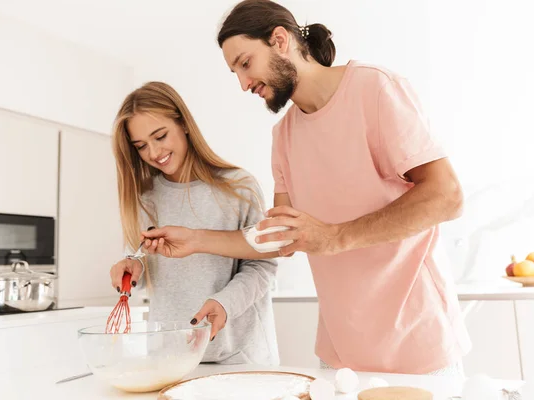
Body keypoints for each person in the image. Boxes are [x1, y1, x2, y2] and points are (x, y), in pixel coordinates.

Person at [142, 0, 472, 376]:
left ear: (280, 40)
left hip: (416, 345)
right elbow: (280, 238)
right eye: (234, 72)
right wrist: (195, 239)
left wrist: (334, 237)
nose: (243, 83)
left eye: (245, 63)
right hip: (337, 354)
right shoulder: (283, 136)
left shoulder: (374, 88)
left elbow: (447, 196)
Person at [108, 81, 279, 366]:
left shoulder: (238, 187)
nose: (153, 152)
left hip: (238, 358)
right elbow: (142, 258)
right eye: (141, 146)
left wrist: (225, 304)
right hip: (170, 358)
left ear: (184, 124)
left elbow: (263, 265)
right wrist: (132, 266)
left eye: (160, 136)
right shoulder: (145, 198)